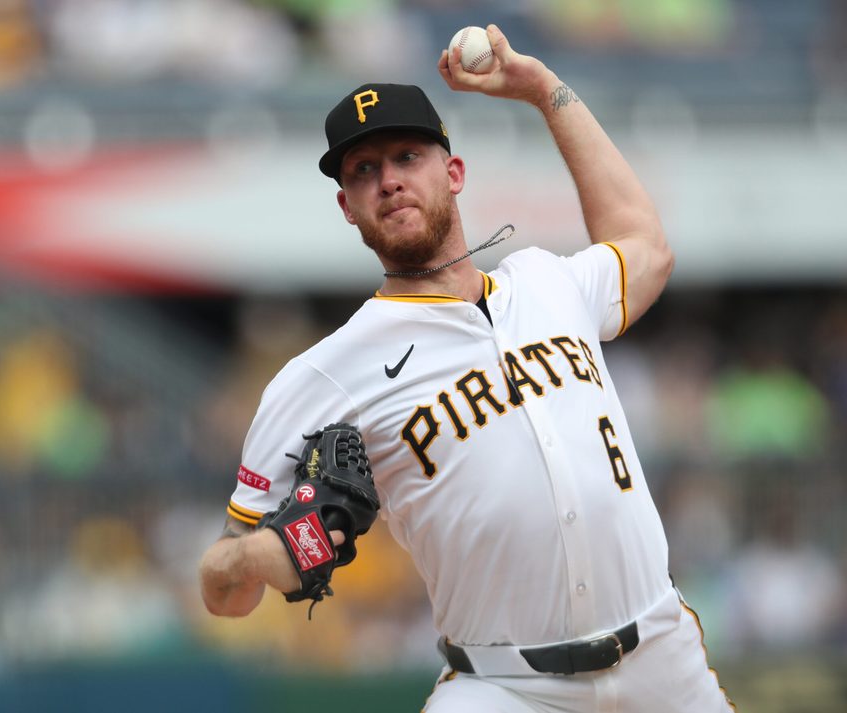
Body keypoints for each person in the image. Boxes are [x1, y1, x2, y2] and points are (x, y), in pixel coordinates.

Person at [199, 23, 734, 712]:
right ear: (347, 207)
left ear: (452, 172)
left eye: (406, 155)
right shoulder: (324, 375)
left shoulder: (547, 282)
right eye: (363, 169)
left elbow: (644, 245)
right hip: (504, 686)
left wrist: (545, 91)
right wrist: (256, 557)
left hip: (664, 661)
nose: (388, 179)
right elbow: (224, 590)